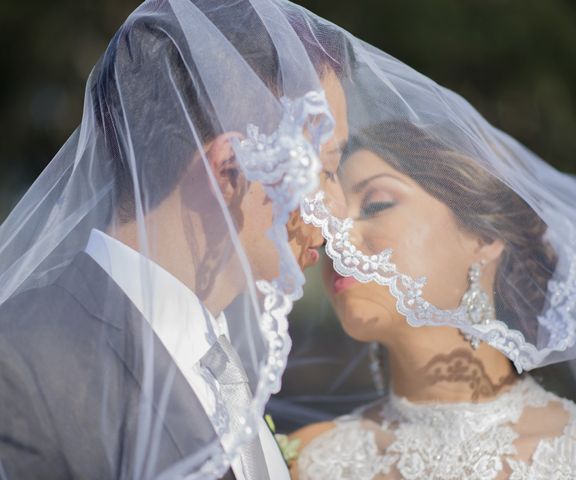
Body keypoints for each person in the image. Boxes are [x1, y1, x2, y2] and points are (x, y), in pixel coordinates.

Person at [0, 0, 350, 478]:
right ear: (233, 170)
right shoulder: (22, 368)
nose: (340, 209)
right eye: (326, 170)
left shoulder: (229, 359)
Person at [290, 121, 576, 479]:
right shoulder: (307, 461)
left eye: (376, 205)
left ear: (483, 237)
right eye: (331, 221)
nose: (336, 240)